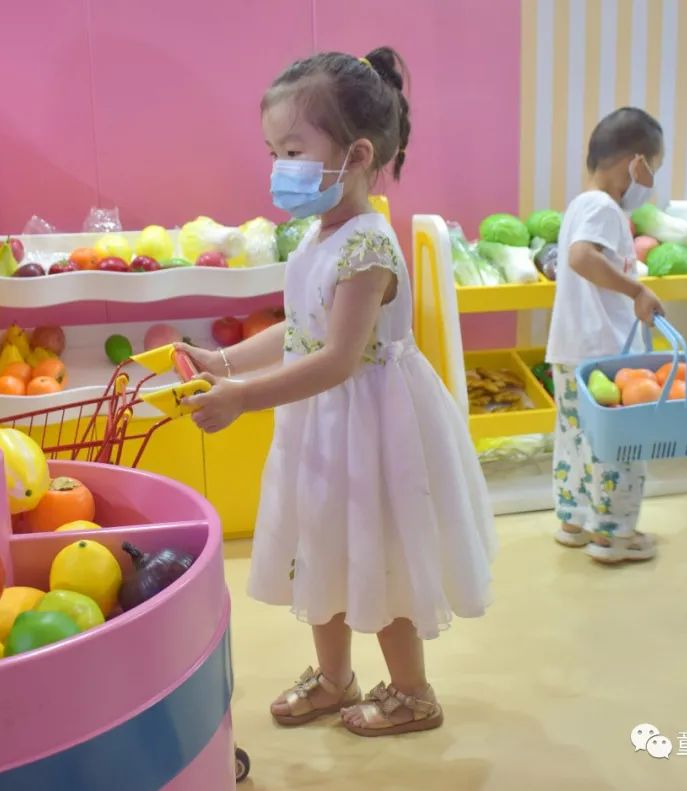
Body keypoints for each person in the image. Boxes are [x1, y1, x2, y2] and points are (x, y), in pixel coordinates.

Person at [176, 48, 496, 737]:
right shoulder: (318, 234)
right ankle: (334, 677)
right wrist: (222, 361)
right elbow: (300, 328)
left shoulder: (369, 248)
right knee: (321, 547)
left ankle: (412, 691)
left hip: (375, 426)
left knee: (379, 553)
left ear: (356, 154)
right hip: (324, 427)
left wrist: (243, 397)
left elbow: (338, 359)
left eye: (293, 151)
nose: (278, 167)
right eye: (273, 152)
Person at [545, 107, 665, 564]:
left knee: (576, 440)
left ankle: (575, 522)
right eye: (653, 169)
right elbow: (581, 257)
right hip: (604, 354)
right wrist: (637, 290)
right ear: (636, 163)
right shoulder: (604, 207)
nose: (651, 181)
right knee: (620, 445)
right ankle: (614, 535)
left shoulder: (580, 204)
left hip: (572, 349)